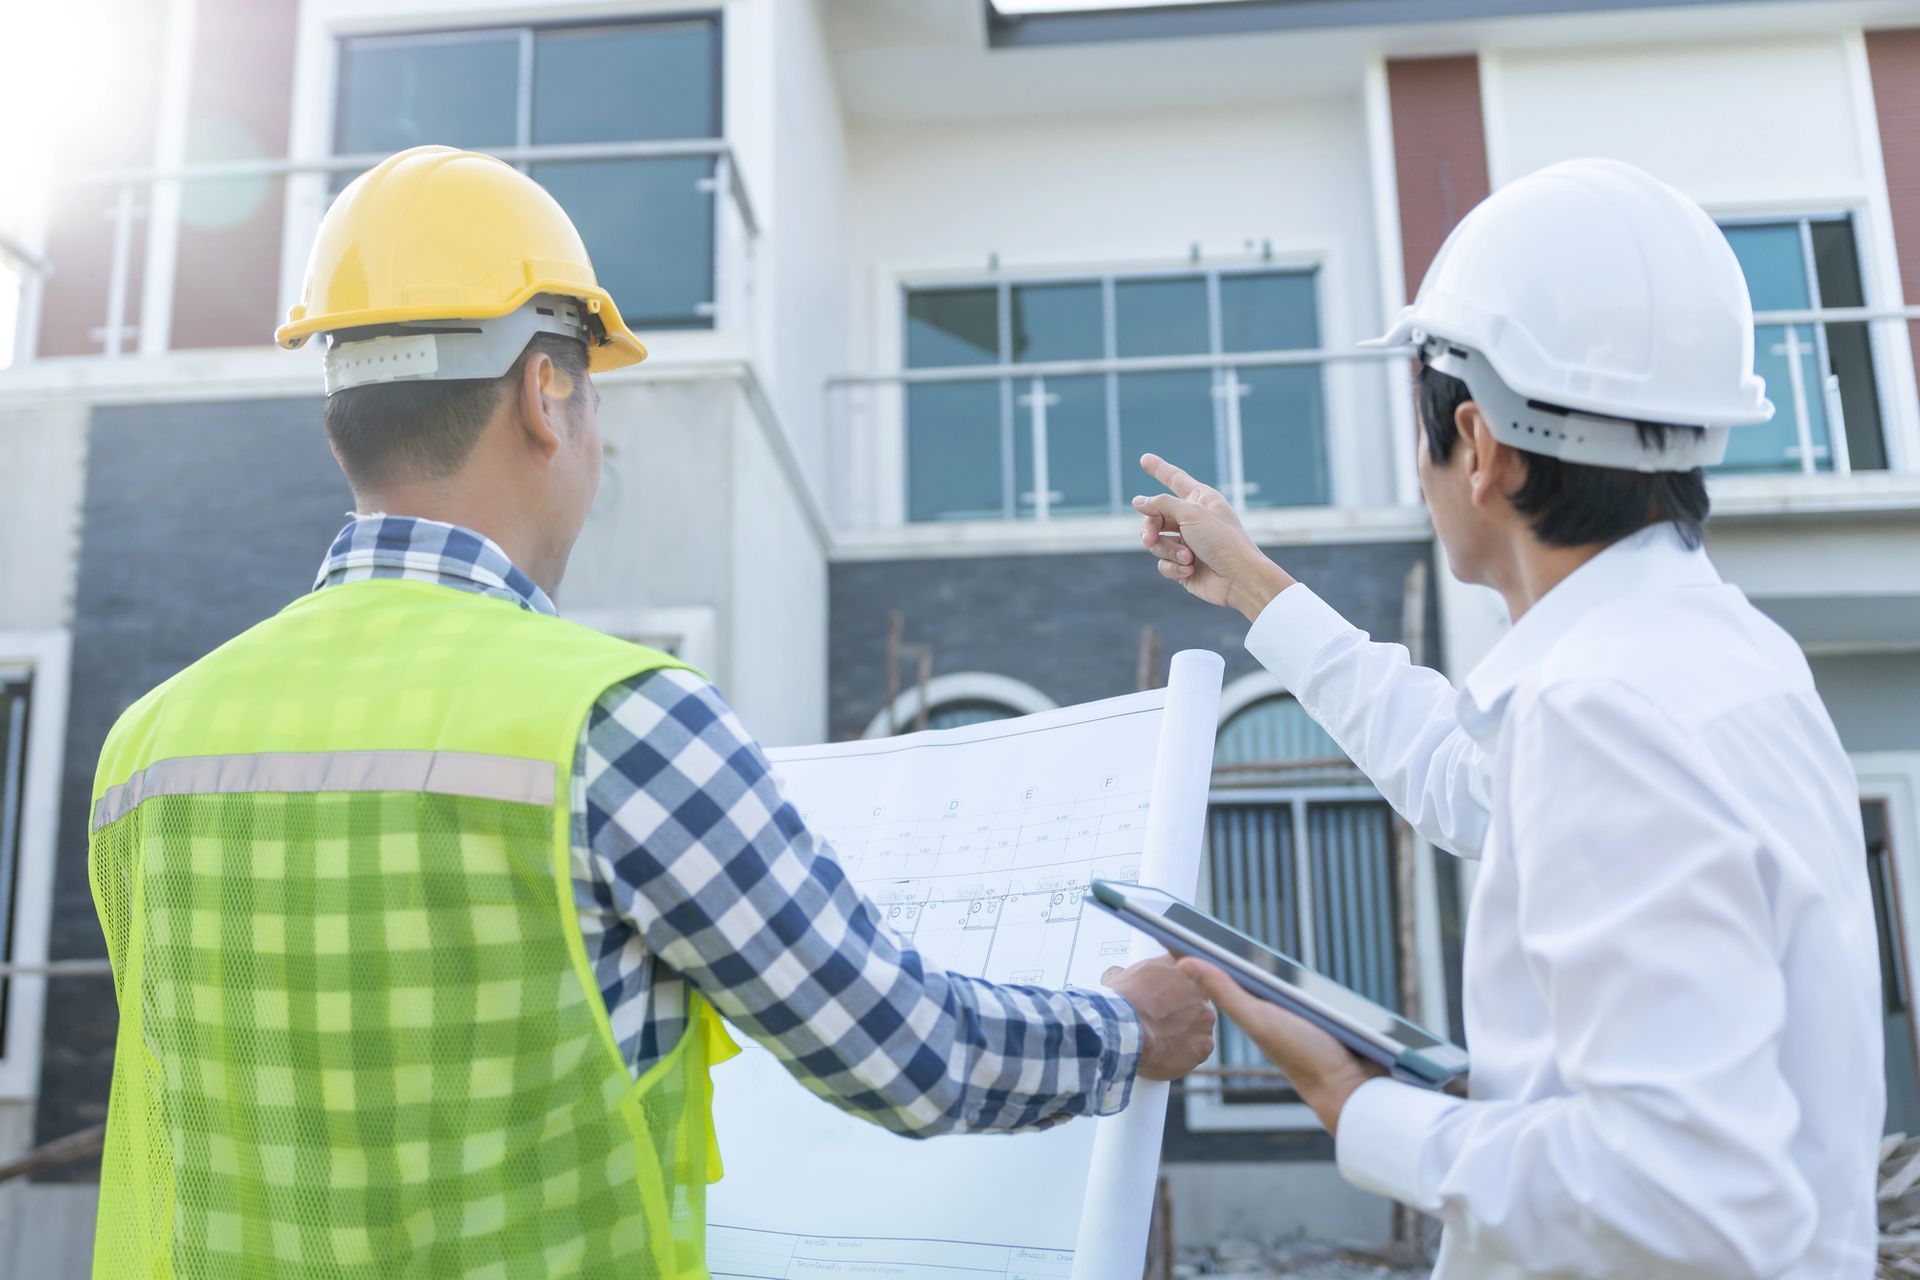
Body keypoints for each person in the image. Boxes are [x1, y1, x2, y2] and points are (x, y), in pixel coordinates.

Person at [85, 145, 1213, 1278]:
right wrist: (1129, 1027)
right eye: (590, 391)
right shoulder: (616, 724)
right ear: (543, 393)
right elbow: (907, 1051)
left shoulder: (145, 748)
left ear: (344, 416)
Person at [1133, 158, 1883, 1277]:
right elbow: (1455, 772)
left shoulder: (1603, 709)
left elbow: (1686, 1201)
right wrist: (1250, 582)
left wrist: (1370, 1109)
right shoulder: (1717, 659)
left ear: (1477, 444)